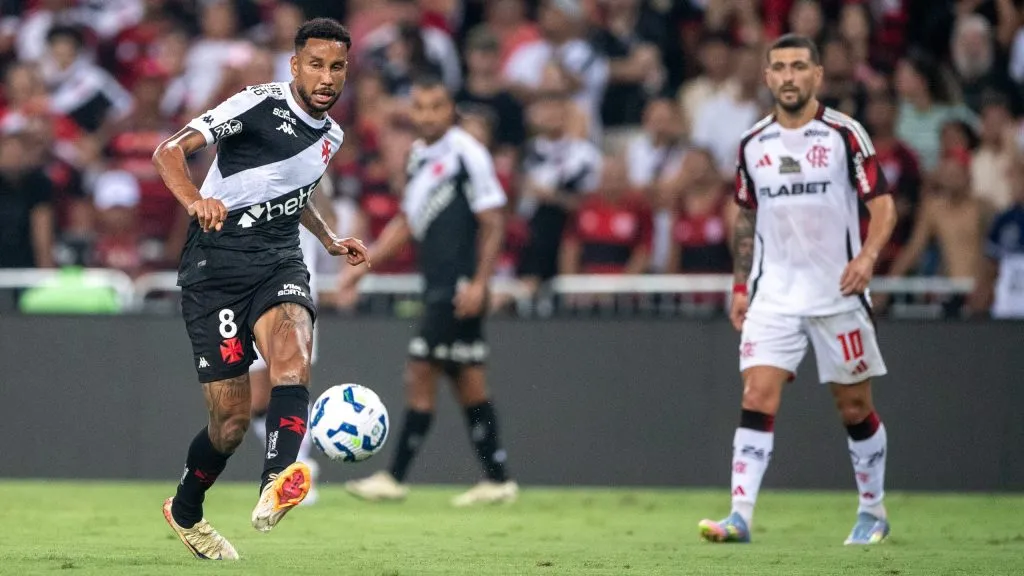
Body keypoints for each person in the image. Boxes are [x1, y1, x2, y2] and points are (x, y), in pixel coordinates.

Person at [151, 18, 368, 560]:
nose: (326, 77)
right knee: (228, 424)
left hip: (278, 260)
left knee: (293, 358)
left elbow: (295, 192)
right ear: (295, 65)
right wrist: (195, 201)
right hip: (215, 267)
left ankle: (277, 479)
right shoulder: (256, 104)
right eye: (315, 64)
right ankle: (185, 510)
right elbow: (168, 152)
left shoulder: (332, 135)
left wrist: (328, 237)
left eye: (337, 67)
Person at [697, 34, 898, 546]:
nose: (789, 76)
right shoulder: (753, 143)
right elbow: (746, 217)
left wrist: (867, 258)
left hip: (837, 293)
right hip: (774, 294)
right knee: (756, 394)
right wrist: (740, 285)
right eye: (780, 67)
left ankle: (872, 511)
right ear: (767, 77)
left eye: (799, 66)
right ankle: (739, 516)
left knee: (854, 407)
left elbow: (883, 205)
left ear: (817, 75)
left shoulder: (844, 134)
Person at [339, 73, 519, 507]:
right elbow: (408, 221)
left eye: (436, 106)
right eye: (420, 107)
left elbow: (494, 221)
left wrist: (480, 283)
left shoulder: (468, 153)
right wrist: (367, 263)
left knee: (420, 371)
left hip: (458, 287)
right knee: (468, 381)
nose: (428, 115)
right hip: (437, 282)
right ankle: (498, 480)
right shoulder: (419, 156)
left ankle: (394, 477)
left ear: (450, 109)